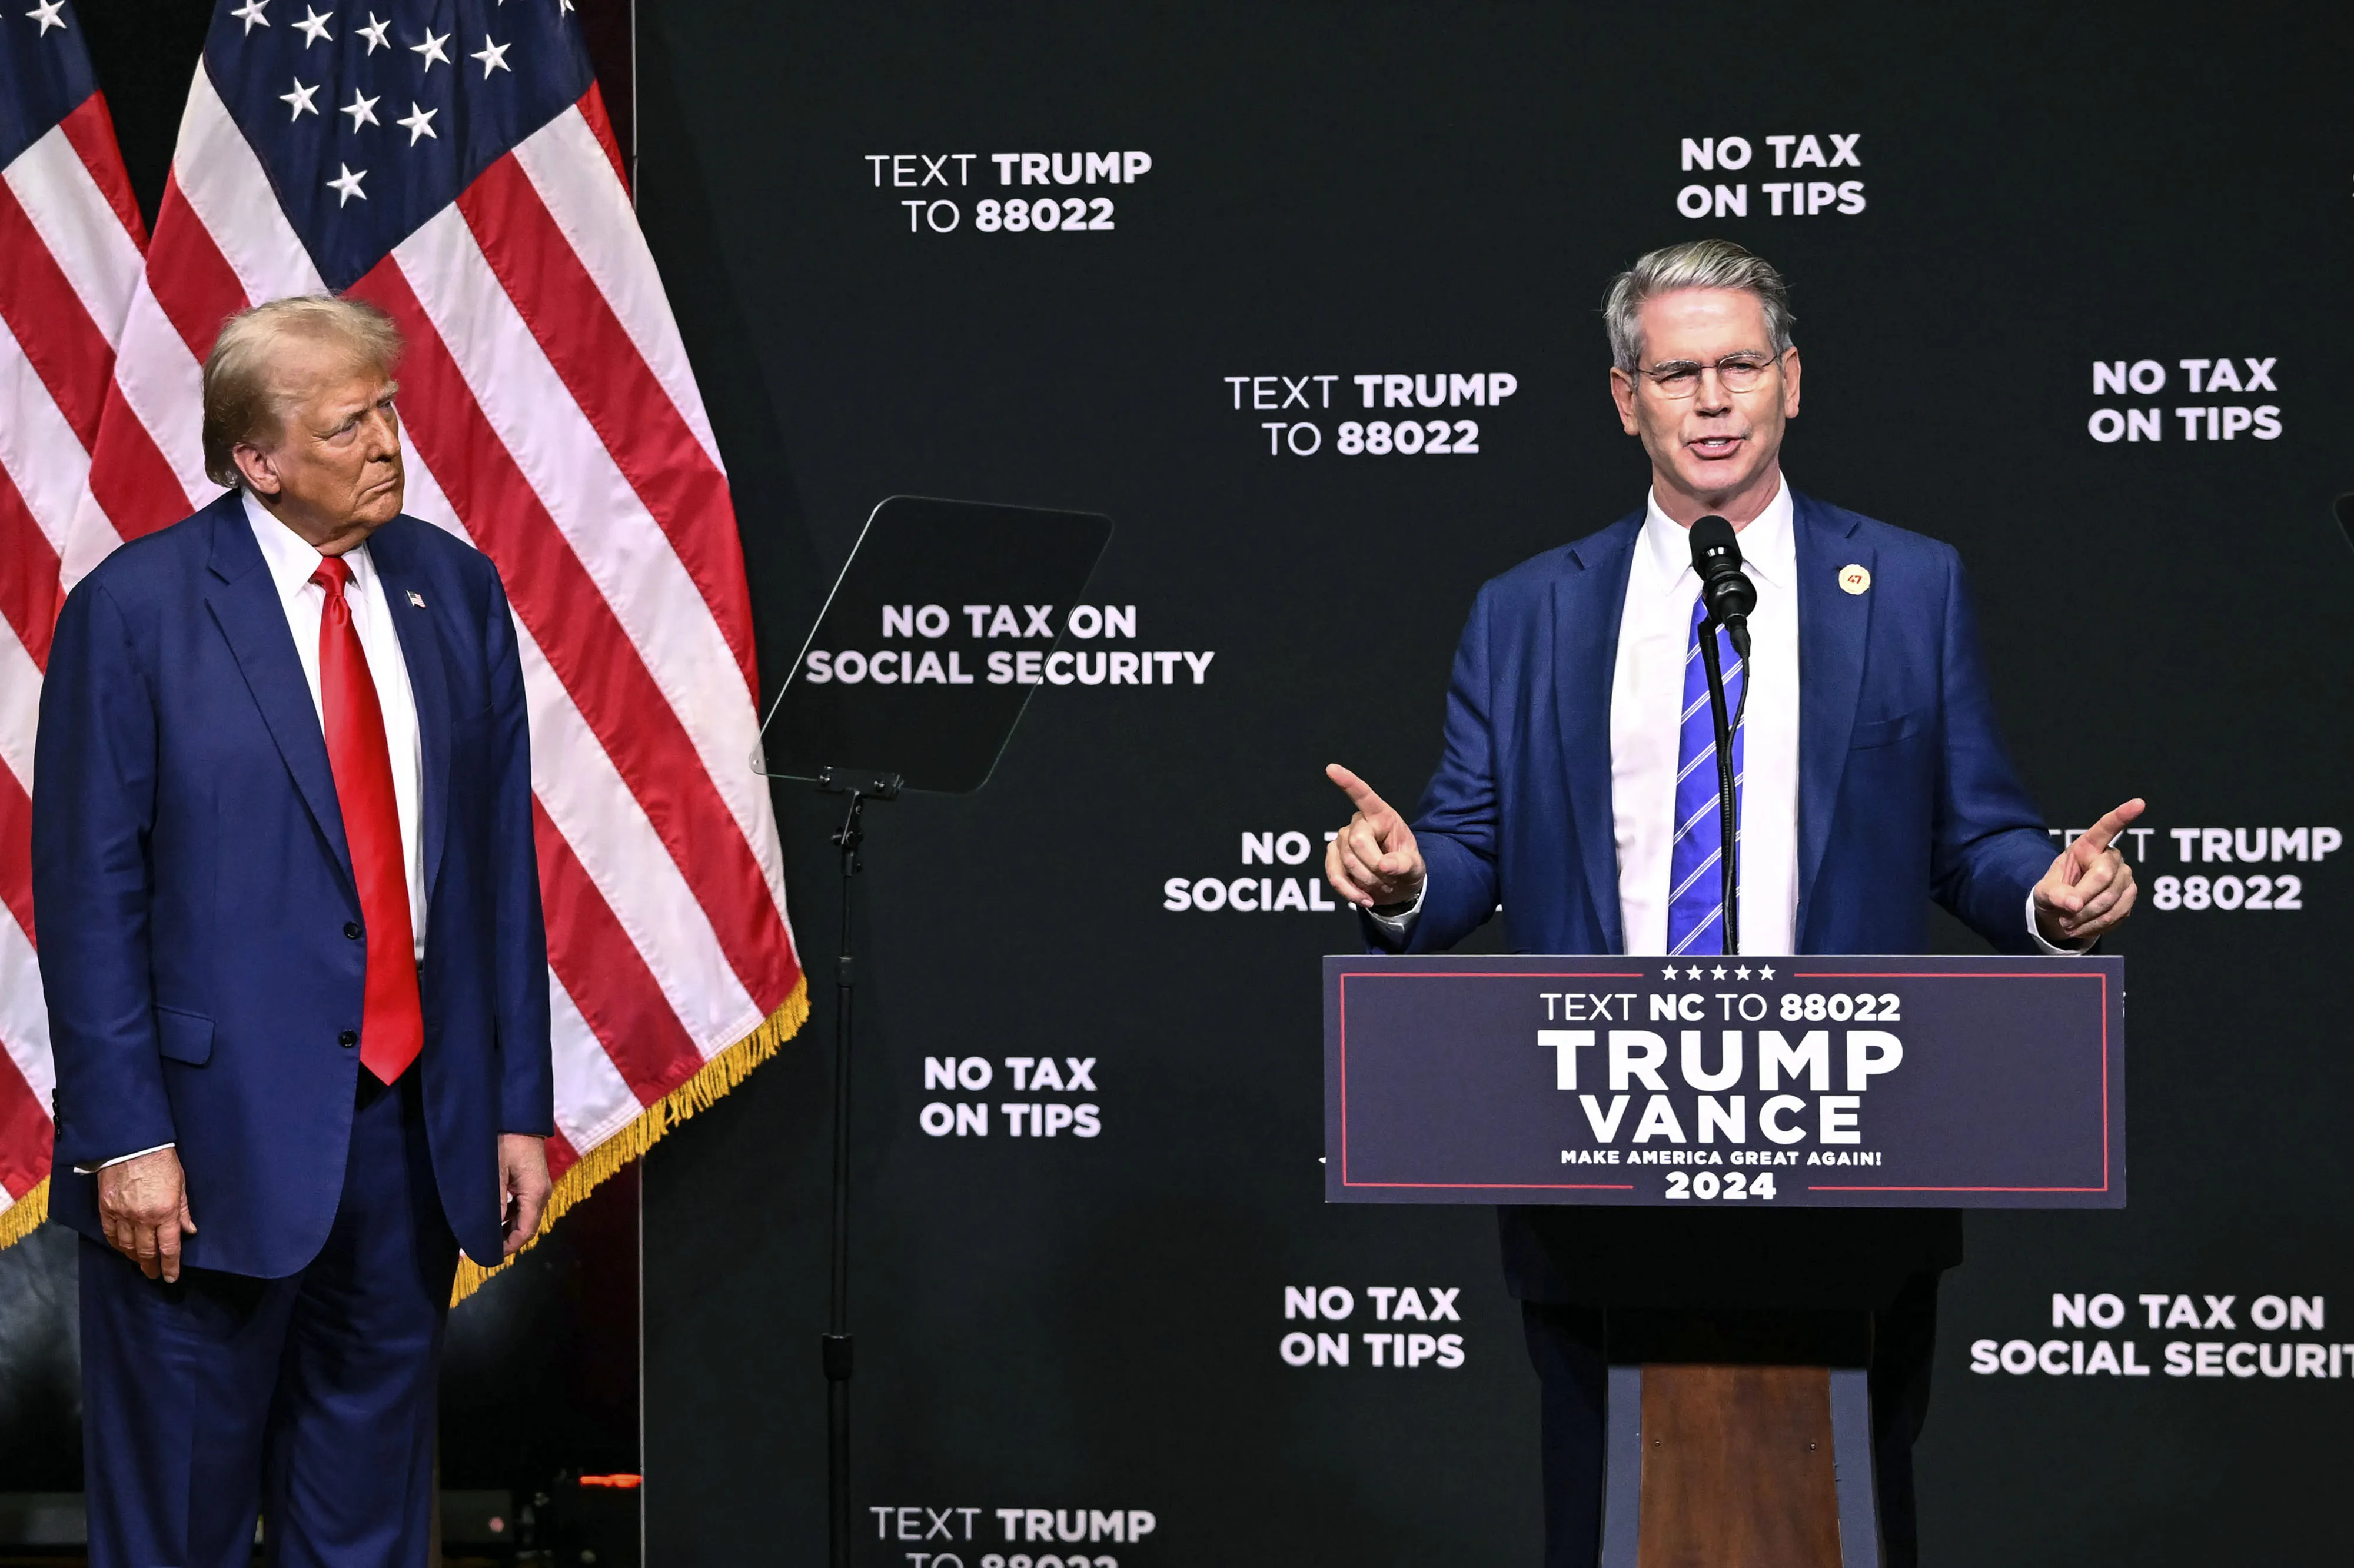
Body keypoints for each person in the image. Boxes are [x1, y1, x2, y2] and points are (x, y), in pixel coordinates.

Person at [1320, 239, 2140, 1568]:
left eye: (1740, 367)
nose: (1711, 400)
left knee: (1852, 1513)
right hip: (1597, 1152)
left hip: (1849, 1153)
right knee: (1604, 1517)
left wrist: (2048, 897)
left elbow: (1974, 837)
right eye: (1676, 373)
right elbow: (1467, 847)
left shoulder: (1909, 586)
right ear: (1624, 399)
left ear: (1791, 383)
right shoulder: (1527, 610)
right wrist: (1407, 879)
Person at [34, 296, 554, 1568]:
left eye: (388, 411)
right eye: (347, 425)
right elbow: (89, 897)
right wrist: (127, 1142)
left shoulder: (454, 590)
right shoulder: (136, 610)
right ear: (256, 461)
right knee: (179, 1531)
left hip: (410, 1137)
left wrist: (514, 1107)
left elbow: (497, 875)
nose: (387, 444)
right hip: (199, 1156)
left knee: (367, 1529)